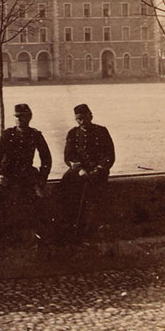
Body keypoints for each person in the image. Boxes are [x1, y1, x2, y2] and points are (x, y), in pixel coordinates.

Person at [0, 103, 53, 242]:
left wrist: (42, 179)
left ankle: (39, 235)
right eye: (17, 117)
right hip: (7, 174)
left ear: (29, 117)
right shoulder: (8, 134)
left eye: (23, 116)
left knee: (36, 200)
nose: (19, 119)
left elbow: (46, 158)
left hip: (26, 174)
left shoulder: (35, 135)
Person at [57, 103, 116, 243]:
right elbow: (68, 156)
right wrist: (79, 169)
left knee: (93, 201)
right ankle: (67, 230)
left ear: (91, 116)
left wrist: (99, 168)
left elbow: (109, 155)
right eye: (78, 119)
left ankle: (90, 233)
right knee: (65, 191)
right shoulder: (73, 133)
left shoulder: (102, 131)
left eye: (84, 117)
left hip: (97, 171)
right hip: (79, 171)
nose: (81, 121)